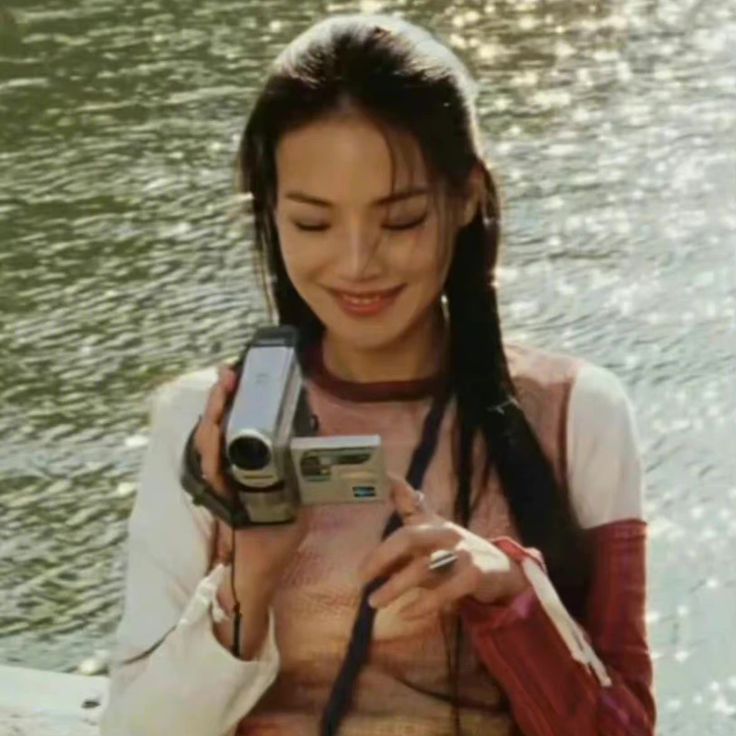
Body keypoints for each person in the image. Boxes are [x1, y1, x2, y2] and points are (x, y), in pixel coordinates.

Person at [100, 13, 656, 736]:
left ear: (467, 200)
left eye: (399, 221)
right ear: (270, 211)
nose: (357, 263)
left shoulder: (576, 413)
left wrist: (508, 595)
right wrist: (251, 576)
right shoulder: (208, 423)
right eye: (312, 224)